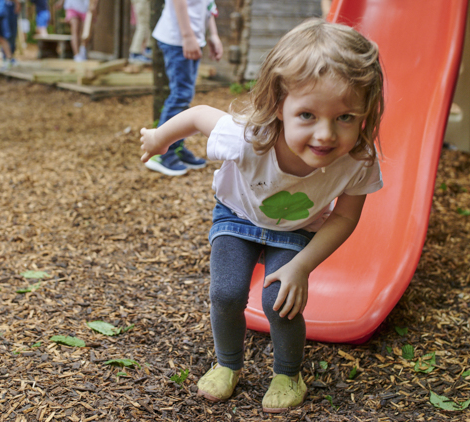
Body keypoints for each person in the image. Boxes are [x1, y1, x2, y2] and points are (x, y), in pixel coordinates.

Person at [139, 20, 385, 413]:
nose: (325, 135)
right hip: (238, 216)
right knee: (226, 293)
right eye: (307, 114)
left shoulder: (357, 160)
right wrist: (159, 137)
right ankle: (227, 364)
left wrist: (302, 266)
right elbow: (200, 114)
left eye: (345, 118)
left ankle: (288, 373)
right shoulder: (249, 137)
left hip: (297, 228)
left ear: (365, 113)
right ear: (278, 106)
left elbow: (344, 217)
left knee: (279, 301)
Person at [145, 0, 222, 176]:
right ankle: (160, 152)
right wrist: (187, 37)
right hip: (177, 39)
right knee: (180, 95)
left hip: (192, 38)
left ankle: (175, 146)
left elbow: (208, 4)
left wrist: (213, 35)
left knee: (184, 96)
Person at [128, 0, 151, 64]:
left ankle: (147, 49)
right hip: (142, 2)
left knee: (146, 25)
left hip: (141, 2)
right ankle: (135, 53)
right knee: (142, 26)